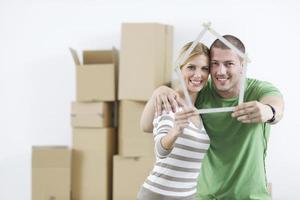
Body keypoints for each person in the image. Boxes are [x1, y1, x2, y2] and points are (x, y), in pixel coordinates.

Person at [140, 35, 284, 200]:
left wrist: (269, 111)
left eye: (229, 64)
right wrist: (159, 91)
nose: (220, 71)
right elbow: (147, 125)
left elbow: (277, 107)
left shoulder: (258, 90)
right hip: (205, 196)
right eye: (214, 64)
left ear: (242, 65)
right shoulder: (200, 91)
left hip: (250, 196)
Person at [137, 42, 211, 200]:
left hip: (188, 196)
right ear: (180, 68)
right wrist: (175, 131)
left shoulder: (198, 110)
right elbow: (160, 151)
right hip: (158, 195)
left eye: (204, 68)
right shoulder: (169, 101)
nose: (198, 75)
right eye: (191, 67)